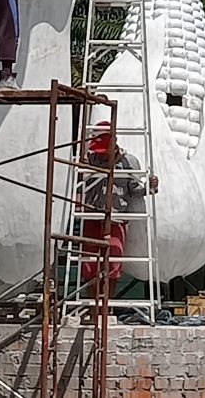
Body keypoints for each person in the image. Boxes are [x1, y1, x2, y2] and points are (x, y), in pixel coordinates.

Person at [81, 121, 159, 301]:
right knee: (89, 264)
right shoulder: (90, 158)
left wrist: (150, 187)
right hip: (92, 216)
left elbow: (134, 190)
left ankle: (107, 306)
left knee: (113, 264)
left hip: (117, 218)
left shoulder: (128, 162)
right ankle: (94, 307)